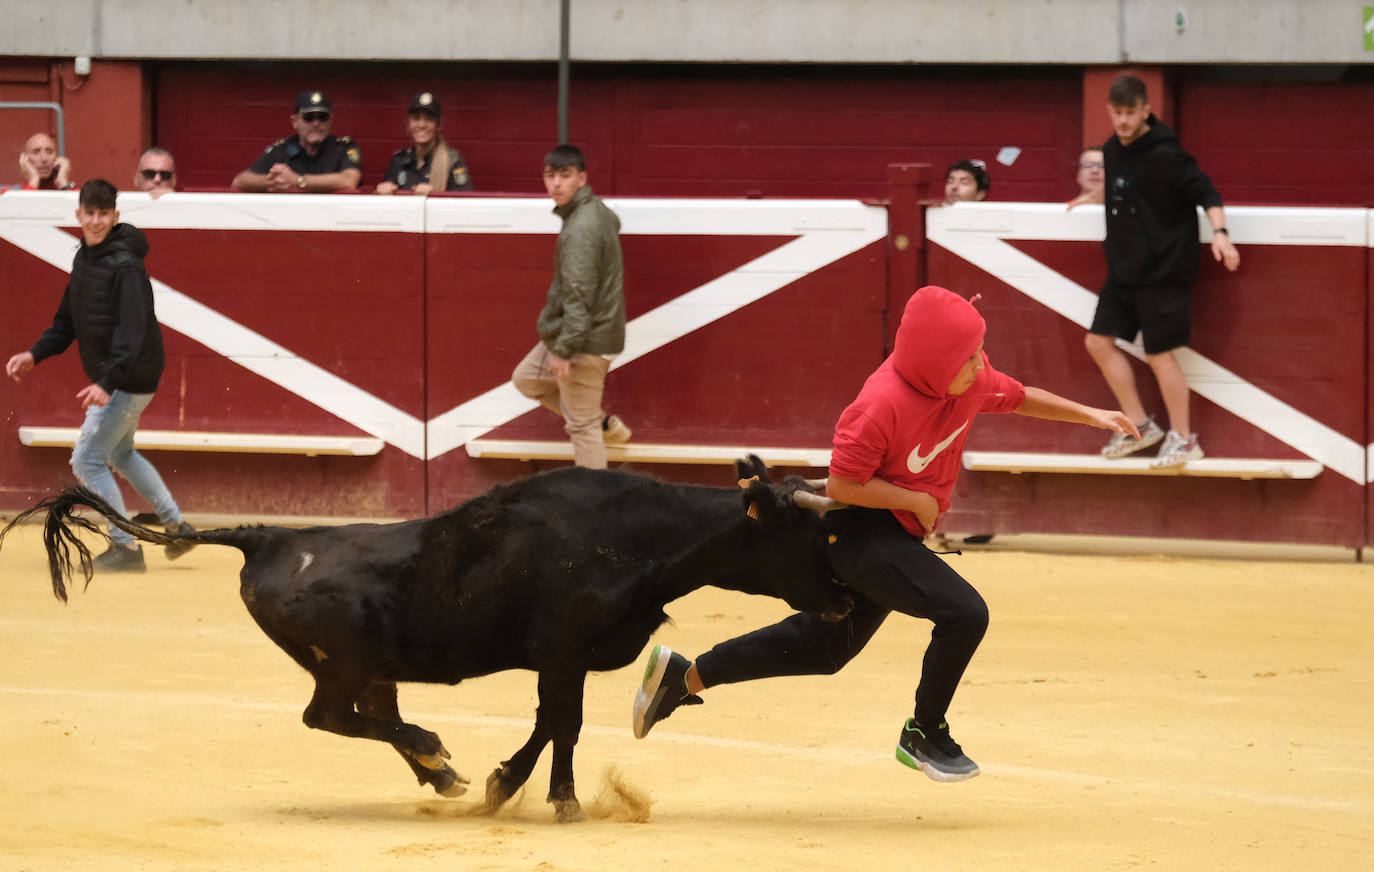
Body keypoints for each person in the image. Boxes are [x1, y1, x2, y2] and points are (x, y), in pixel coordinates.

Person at [631, 285, 1138, 782]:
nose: (982, 366)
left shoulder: (968, 379)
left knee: (824, 650)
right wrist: (916, 500)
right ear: (936, 364)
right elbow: (846, 485)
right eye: (969, 358)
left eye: (980, 353)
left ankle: (683, 678)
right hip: (859, 533)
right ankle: (924, 731)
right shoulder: (880, 403)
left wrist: (1090, 415)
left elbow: (1020, 397)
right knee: (964, 612)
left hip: (895, 536)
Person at [5, 179, 196, 572]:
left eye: (102, 214)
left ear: (115, 216)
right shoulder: (84, 259)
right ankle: (177, 527)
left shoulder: (125, 266)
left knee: (88, 459)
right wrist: (34, 354)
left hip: (128, 377)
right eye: (89, 213)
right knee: (119, 453)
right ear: (78, 216)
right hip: (125, 375)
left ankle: (125, 548)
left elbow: (131, 332)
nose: (95, 221)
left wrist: (107, 383)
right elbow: (66, 322)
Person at [1084, 73, 1240, 468]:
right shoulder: (1111, 149)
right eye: (1116, 113)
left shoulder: (1167, 154)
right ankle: (1139, 425)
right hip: (1122, 272)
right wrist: (1088, 196)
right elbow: (1126, 188)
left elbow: (1207, 192)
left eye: (1129, 113)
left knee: (1159, 355)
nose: (1122, 121)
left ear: (1145, 111)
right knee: (1098, 343)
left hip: (1163, 271)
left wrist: (1220, 233)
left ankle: (1185, 439)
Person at [510, 144, 631, 469]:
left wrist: (564, 349)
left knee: (581, 427)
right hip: (584, 333)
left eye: (565, 176)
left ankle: (596, 513)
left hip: (583, 341)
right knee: (527, 379)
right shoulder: (594, 210)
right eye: (550, 176)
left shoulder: (580, 229)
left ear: (581, 178)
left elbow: (579, 297)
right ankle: (604, 424)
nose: (556, 184)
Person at [231, 91, 362, 193]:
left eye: (322, 117)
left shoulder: (343, 147)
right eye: (308, 118)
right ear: (295, 122)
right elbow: (240, 180)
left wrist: (298, 181)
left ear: (330, 121)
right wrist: (274, 182)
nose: (316, 123)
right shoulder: (282, 149)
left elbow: (349, 180)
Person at [375, 92, 474, 195]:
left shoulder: (453, 161)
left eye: (429, 119)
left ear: (438, 125)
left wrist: (434, 195)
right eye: (416, 118)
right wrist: (384, 191)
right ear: (408, 125)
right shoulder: (398, 161)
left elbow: (464, 202)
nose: (422, 125)